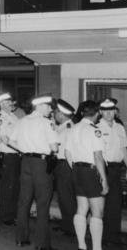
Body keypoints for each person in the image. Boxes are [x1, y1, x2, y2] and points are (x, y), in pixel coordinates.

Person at [9, 94, 59, 249]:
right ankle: (42, 244)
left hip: (25, 162)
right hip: (41, 164)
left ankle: (21, 238)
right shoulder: (46, 123)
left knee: (24, 201)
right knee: (42, 204)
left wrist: (25, 150)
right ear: (41, 106)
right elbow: (54, 147)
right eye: (49, 106)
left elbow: (10, 140)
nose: (51, 110)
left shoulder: (22, 121)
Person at [64, 100, 109, 250]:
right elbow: (98, 156)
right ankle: (97, 247)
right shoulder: (94, 130)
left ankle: (81, 245)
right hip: (91, 171)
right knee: (98, 211)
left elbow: (67, 152)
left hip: (77, 170)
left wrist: (76, 168)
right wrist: (103, 179)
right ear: (97, 114)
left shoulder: (73, 128)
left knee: (82, 208)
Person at [97, 98, 127, 247]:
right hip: (103, 169)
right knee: (101, 205)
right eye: (105, 111)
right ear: (100, 112)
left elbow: (124, 148)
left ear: (115, 111)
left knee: (116, 204)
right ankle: (103, 238)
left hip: (117, 169)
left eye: (111, 111)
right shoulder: (97, 128)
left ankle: (114, 237)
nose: (109, 114)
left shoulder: (119, 128)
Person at [53, 98, 77, 236]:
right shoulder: (63, 128)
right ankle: (67, 224)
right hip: (62, 165)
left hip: (64, 165)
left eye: (56, 112)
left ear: (61, 114)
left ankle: (70, 227)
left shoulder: (67, 129)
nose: (54, 115)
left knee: (66, 196)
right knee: (64, 197)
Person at [0, 92, 20, 226]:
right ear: (3, 103)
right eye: (9, 102)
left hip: (16, 155)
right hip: (8, 155)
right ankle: (5, 215)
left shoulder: (14, 117)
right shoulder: (1, 117)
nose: (12, 104)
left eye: (12, 102)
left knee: (15, 186)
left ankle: (12, 213)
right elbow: (4, 138)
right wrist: (20, 149)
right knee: (8, 186)